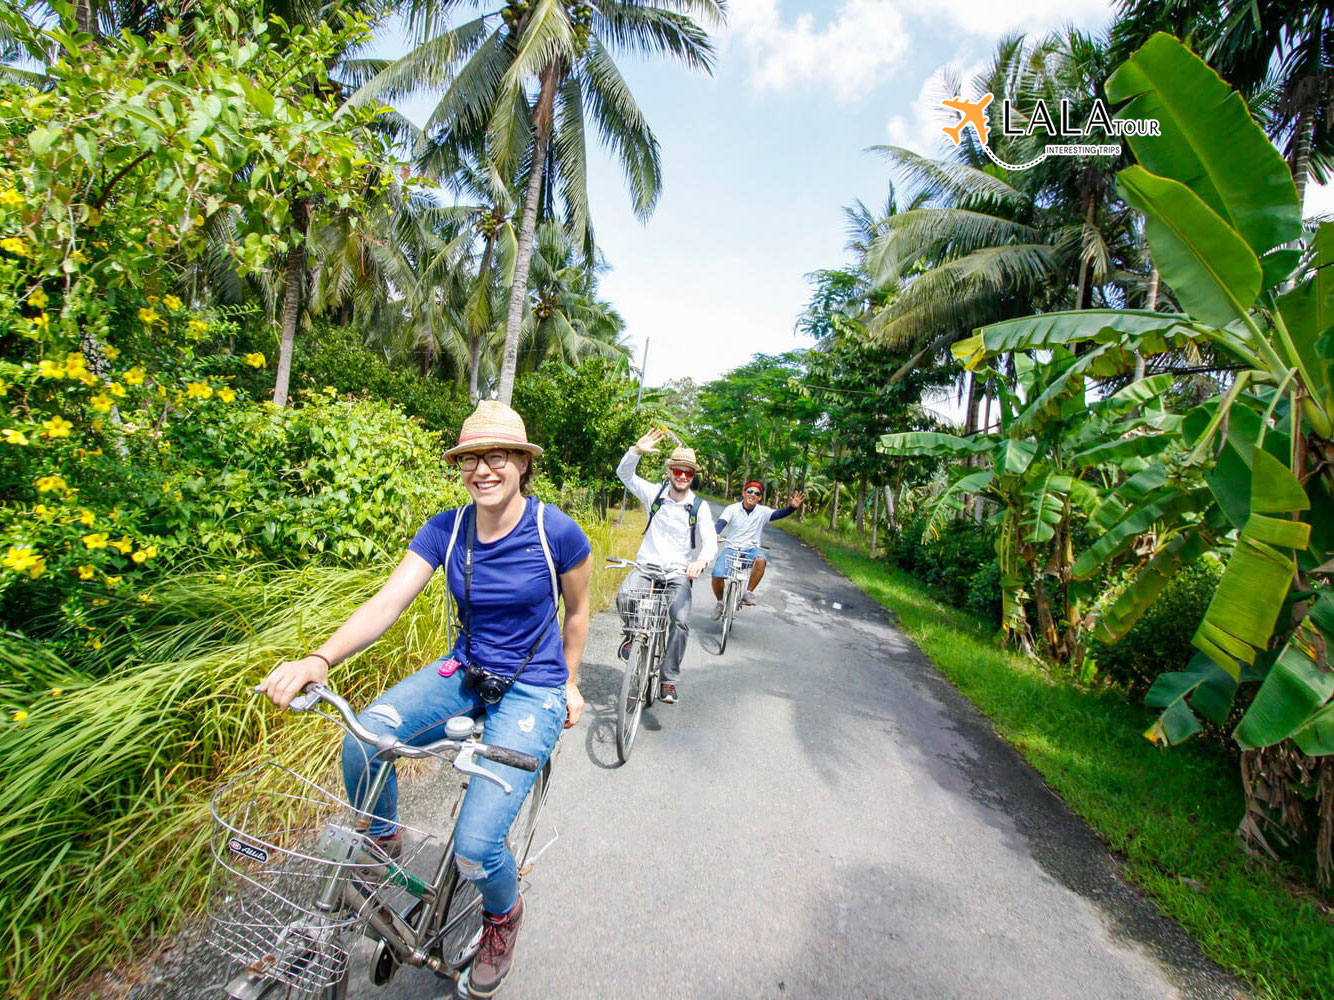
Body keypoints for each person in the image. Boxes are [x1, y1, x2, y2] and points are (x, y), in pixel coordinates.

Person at [259, 400, 591, 999]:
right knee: (366, 735)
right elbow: (388, 603)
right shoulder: (448, 528)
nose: (483, 470)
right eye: (470, 459)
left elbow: (578, 613)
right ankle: (384, 836)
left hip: (533, 687)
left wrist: (569, 682)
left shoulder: (556, 531)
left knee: (476, 846)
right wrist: (319, 659)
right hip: (465, 671)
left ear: (521, 463)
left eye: (496, 456)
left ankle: (502, 917)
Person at [614, 428, 717, 704]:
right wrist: (635, 451)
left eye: (688, 473)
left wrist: (701, 561)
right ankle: (632, 634)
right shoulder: (653, 493)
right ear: (669, 471)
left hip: (678, 573)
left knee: (680, 622)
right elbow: (624, 475)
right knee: (624, 595)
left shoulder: (699, 507)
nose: (682, 476)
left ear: (692, 476)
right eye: (678, 471)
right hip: (646, 566)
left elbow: (710, 542)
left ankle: (668, 679)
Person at [710, 483, 804, 617]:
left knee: (761, 560)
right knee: (717, 574)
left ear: (759, 498)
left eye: (757, 493)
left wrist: (792, 508)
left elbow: (778, 514)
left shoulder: (762, 512)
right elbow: (721, 522)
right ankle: (720, 602)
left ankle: (747, 592)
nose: (752, 495)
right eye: (750, 491)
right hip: (731, 548)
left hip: (751, 549)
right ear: (744, 493)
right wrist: (716, 533)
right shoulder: (732, 509)